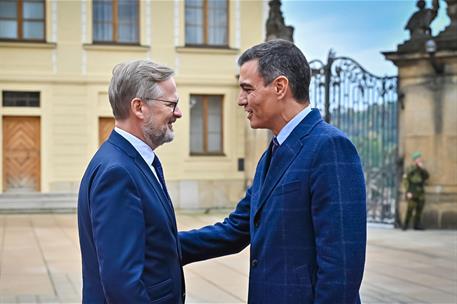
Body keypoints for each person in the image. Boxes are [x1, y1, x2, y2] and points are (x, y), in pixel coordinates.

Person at [179, 39, 367, 303]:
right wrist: (159, 246)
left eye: (247, 89)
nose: (240, 100)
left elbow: (341, 266)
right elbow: (235, 230)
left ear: (280, 87)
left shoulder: (330, 147)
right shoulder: (273, 153)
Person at [78, 60, 185, 303]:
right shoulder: (117, 172)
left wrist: (233, 232)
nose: (178, 113)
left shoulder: (128, 160)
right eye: (171, 104)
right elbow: (122, 285)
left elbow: (154, 241)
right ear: (139, 107)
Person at [403, 151, 430, 230]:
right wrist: (407, 192)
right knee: (410, 209)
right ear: (414, 160)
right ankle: (405, 225)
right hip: (412, 190)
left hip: (420, 192)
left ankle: (417, 225)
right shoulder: (410, 168)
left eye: (420, 158)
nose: (419, 160)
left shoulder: (421, 169)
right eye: (418, 158)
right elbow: (406, 180)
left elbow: (427, 176)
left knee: (419, 209)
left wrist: (422, 168)